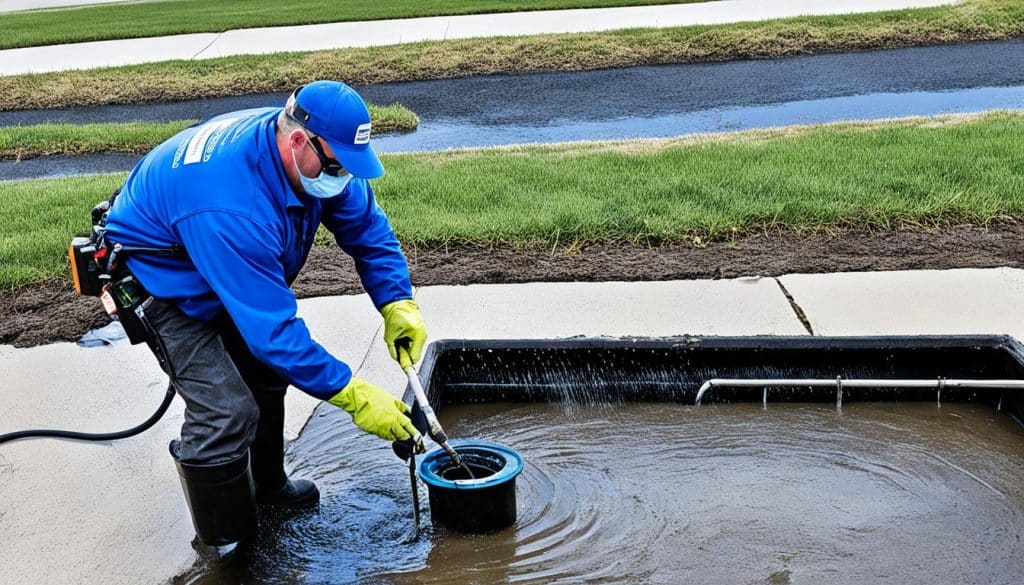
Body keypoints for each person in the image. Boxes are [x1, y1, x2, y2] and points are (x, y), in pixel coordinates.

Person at [102, 80, 426, 546]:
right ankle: (223, 542)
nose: (341, 178)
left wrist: (399, 302)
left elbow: (368, 231)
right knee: (225, 410)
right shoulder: (235, 207)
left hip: (217, 253)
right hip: (162, 280)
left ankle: (268, 487)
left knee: (269, 376)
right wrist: (354, 396)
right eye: (336, 165)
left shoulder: (306, 154)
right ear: (298, 142)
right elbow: (274, 333)